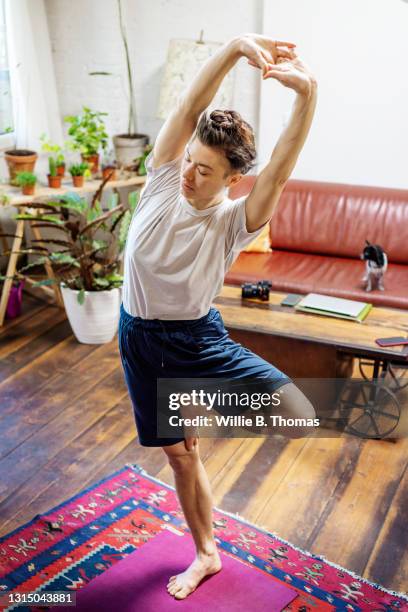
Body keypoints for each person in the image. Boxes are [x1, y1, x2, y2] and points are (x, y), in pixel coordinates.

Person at [118, 33, 318, 600]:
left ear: (231, 179)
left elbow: (277, 171)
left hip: (195, 341)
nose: (189, 174)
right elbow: (188, 108)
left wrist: (308, 96)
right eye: (190, 161)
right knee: (180, 458)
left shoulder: (234, 221)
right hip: (137, 337)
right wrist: (233, 48)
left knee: (297, 407)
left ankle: (195, 404)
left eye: (205, 171)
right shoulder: (161, 180)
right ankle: (207, 553)